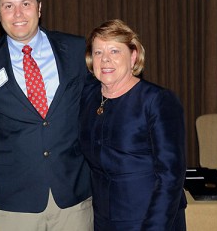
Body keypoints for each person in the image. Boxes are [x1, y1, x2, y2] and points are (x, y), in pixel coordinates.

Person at [0, 0, 93, 230]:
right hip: (15, 199)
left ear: (39, 8)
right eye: (8, 6)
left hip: (73, 193)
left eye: (25, 4)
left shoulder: (76, 49)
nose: (18, 14)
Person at [79, 19, 187, 230]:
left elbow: (170, 177)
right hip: (102, 219)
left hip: (148, 218)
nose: (105, 60)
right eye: (98, 52)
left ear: (134, 56)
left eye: (114, 51)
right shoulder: (89, 96)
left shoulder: (157, 100)